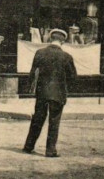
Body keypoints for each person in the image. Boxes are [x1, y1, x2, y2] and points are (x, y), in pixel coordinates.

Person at [23, 28, 77, 158]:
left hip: (42, 92)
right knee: (54, 121)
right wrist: (66, 88)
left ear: (50, 39)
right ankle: (50, 150)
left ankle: (29, 146)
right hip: (58, 93)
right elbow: (73, 77)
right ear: (63, 41)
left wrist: (29, 89)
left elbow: (32, 73)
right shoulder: (67, 57)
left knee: (37, 119)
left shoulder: (40, 53)